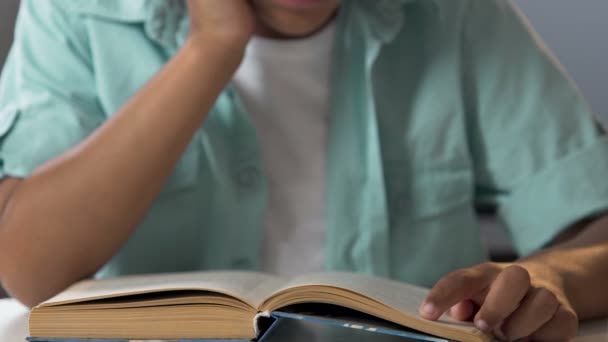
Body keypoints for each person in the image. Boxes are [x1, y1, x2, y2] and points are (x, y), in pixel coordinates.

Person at [0, 0, 607, 340]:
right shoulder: (76, 13)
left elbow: (597, 222)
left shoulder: (457, 15)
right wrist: (212, 46)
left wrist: (546, 279)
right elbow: (27, 266)